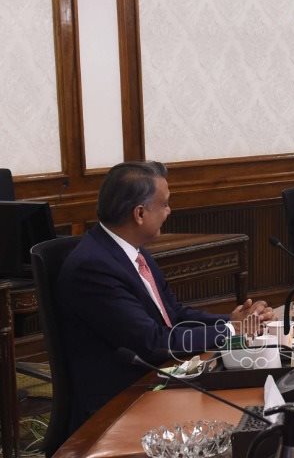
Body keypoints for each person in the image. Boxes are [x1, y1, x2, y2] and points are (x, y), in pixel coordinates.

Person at [58, 161, 273, 432]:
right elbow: (152, 342)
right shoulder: (93, 267)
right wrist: (232, 331)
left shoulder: (130, 251)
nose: (169, 211)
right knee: (235, 417)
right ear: (139, 213)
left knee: (249, 400)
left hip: (158, 377)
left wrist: (231, 321)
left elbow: (174, 314)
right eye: (165, 204)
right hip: (122, 399)